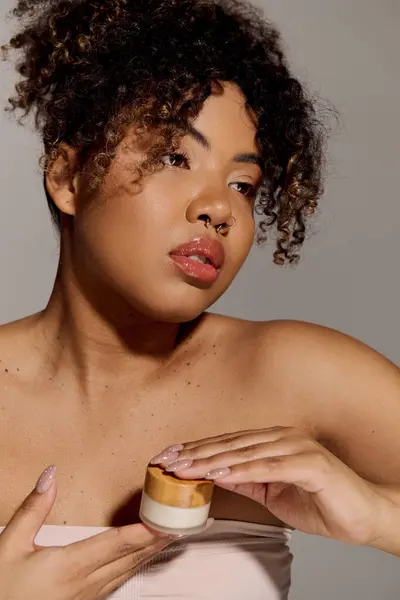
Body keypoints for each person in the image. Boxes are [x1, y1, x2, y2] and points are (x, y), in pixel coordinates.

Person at [0, 0, 399, 598]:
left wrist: (378, 518)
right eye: (174, 156)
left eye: (243, 185)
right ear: (68, 177)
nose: (218, 208)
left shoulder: (295, 374)